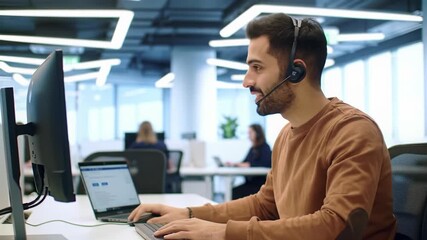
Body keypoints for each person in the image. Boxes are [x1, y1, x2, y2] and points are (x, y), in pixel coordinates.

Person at [129, 13, 396, 239]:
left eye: (256, 67)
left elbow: (337, 225)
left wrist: (223, 233)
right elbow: (264, 205)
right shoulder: (286, 135)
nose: (246, 81)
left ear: (296, 71)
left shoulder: (352, 132)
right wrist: (188, 214)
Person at [228, 123, 271, 200]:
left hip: (259, 185)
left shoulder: (265, 148)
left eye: (250, 132)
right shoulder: (253, 149)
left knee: (233, 192)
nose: (249, 135)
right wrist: (234, 164)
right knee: (232, 191)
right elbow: (244, 162)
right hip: (250, 183)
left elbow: (265, 164)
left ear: (257, 133)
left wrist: (248, 165)